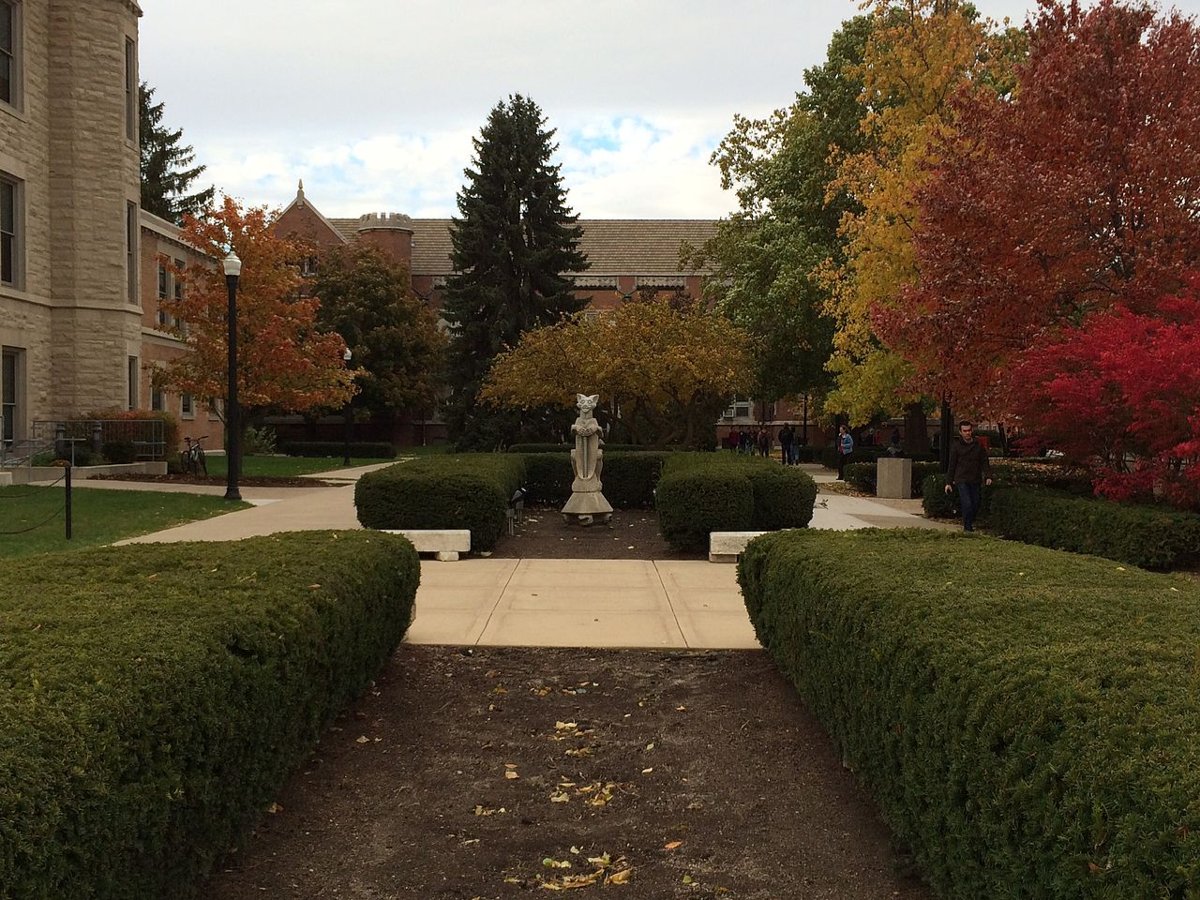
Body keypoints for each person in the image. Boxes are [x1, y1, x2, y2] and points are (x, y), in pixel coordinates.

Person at [944, 420, 993, 532]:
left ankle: (969, 522)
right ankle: (967, 527)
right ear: (960, 432)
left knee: (975, 503)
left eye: (969, 430)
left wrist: (988, 476)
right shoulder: (956, 447)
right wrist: (948, 482)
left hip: (975, 478)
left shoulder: (978, 446)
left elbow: (984, 461)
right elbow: (952, 465)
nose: (967, 433)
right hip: (961, 479)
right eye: (965, 431)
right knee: (967, 503)